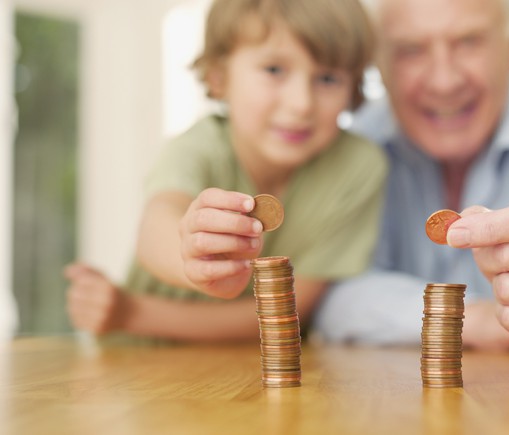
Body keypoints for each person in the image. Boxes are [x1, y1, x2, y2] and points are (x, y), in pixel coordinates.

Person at [65, 0, 387, 342]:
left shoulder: (359, 166)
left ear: (352, 89)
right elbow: (157, 223)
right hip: (141, 363)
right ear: (219, 76)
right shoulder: (198, 148)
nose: (301, 103)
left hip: (263, 372)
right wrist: (188, 255)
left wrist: (134, 312)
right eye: (274, 70)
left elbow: (290, 311)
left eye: (327, 78)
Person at [313, 0, 509, 351]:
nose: (444, 80)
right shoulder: (349, 150)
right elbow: (328, 296)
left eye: (469, 42)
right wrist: (473, 319)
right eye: (411, 50)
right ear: (380, 64)